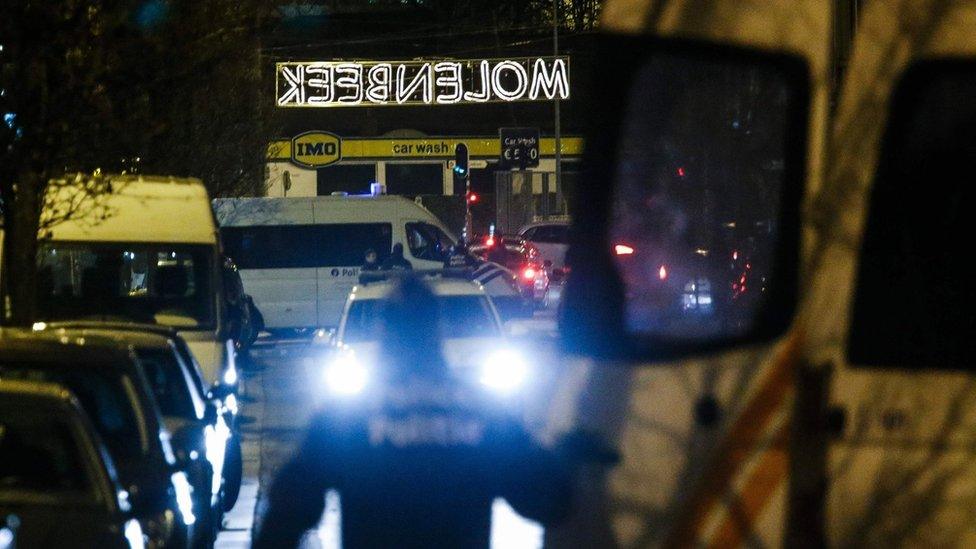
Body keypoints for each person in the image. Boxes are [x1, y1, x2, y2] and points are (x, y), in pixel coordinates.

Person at [253, 276, 572, 549]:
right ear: (437, 331)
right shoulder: (480, 409)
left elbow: (289, 511)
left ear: (383, 332)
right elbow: (546, 498)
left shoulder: (348, 416)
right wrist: (568, 445)